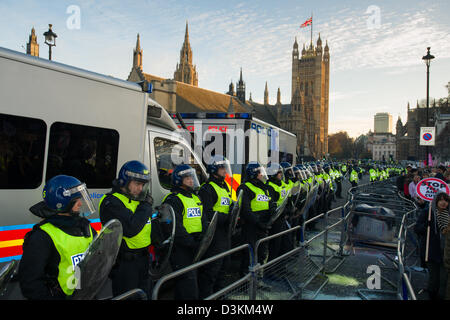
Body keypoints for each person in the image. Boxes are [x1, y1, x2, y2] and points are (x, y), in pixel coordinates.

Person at [19, 175, 96, 300]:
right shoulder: (42, 236)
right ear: (62, 202)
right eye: (77, 199)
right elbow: (30, 282)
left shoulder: (85, 227)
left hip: (87, 294)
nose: (81, 203)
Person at [98, 160, 154, 298]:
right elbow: (131, 229)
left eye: (142, 185)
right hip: (125, 264)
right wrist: (146, 206)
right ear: (124, 181)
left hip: (143, 259)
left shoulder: (136, 200)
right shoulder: (112, 202)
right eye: (137, 184)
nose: (140, 189)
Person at [162, 164, 206, 300]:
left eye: (192, 177)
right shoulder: (173, 200)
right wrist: (191, 243)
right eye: (188, 178)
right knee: (188, 288)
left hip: (195, 245)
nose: (192, 180)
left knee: (188, 285)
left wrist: (203, 238)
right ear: (178, 180)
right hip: (181, 248)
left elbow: (203, 219)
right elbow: (174, 227)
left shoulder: (195, 198)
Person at [197, 155, 233, 299]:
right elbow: (209, 213)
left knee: (224, 266)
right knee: (212, 269)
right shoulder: (207, 188)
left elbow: (227, 206)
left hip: (225, 232)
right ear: (213, 170)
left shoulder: (224, 187)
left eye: (225, 168)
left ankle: (219, 295)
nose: (225, 171)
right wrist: (227, 217)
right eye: (222, 168)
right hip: (214, 234)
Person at [237, 162, 275, 276]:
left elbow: (267, 202)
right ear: (253, 174)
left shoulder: (263, 188)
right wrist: (258, 222)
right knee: (250, 255)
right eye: (260, 173)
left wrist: (272, 208)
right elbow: (245, 210)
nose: (262, 175)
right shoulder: (244, 187)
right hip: (251, 227)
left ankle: (257, 279)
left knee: (261, 254)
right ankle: (246, 281)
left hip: (263, 226)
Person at [414, 192, 450, 300]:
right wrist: (427, 226)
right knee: (434, 279)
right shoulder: (428, 212)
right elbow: (417, 228)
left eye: (446, 200)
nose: (443, 203)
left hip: (445, 251)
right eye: (441, 200)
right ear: (436, 201)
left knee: (443, 279)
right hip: (431, 250)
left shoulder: (448, 214)